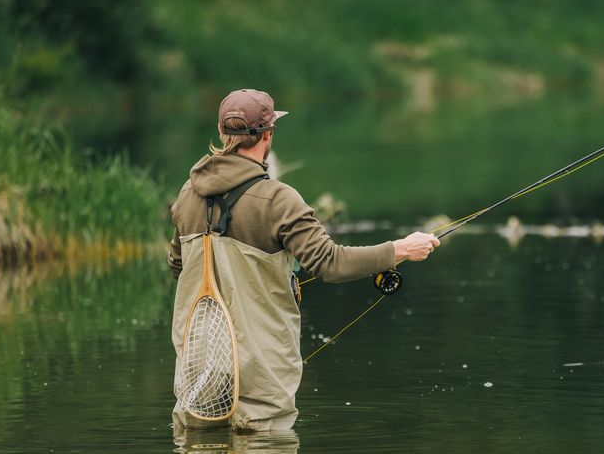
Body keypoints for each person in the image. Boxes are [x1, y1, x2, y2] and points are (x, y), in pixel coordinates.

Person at [168, 89, 439, 432]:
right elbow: (330, 263)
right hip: (259, 368)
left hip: (201, 361)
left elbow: (178, 267)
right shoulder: (278, 199)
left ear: (224, 134)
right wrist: (400, 249)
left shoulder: (187, 195)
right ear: (267, 135)